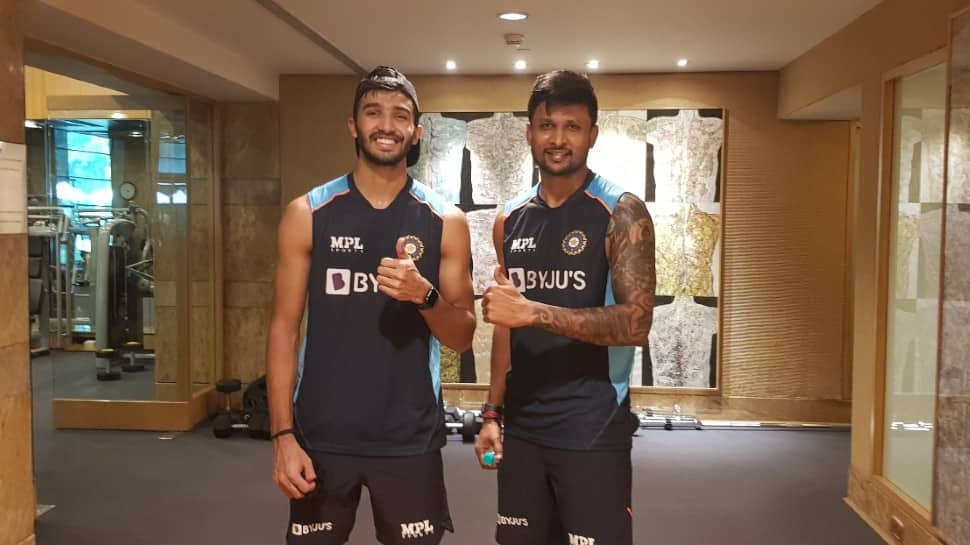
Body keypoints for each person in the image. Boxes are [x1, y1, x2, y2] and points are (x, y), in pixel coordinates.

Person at [267, 66, 475, 545]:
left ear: (417, 132)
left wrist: (423, 295)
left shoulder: (446, 219)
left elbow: (462, 334)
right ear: (353, 126)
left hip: (409, 438)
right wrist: (282, 437)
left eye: (400, 115)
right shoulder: (308, 213)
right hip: (321, 435)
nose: (387, 124)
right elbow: (283, 329)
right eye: (373, 113)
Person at [476, 70, 656, 545]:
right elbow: (506, 327)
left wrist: (535, 312)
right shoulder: (509, 220)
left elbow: (636, 323)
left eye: (572, 127)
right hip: (523, 429)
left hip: (592, 428)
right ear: (529, 132)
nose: (558, 139)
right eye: (547, 125)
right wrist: (492, 414)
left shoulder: (621, 210)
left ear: (592, 135)